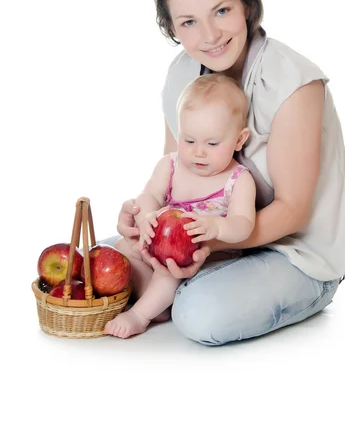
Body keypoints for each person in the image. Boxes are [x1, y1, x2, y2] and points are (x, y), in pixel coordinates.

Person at [105, 0, 345, 346]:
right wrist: (145, 220)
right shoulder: (182, 75)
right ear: (172, 28)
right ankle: (173, 286)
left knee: (200, 315)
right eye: (188, 22)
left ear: (246, 4)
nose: (209, 36)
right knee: (101, 258)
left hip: (296, 253)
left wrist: (205, 239)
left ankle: (180, 294)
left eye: (221, 11)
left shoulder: (293, 82)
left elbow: (293, 211)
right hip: (216, 239)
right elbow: (178, 169)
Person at [104, 73, 256, 338]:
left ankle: (140, 315)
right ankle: (156, 301)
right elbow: (149, 194)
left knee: (170, 272)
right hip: (163, 246)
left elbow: (244, 226)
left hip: (201, 258)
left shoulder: (238, 180)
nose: (199, 151)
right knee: (123, 246)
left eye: (212, 143)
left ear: (239, 140)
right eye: (189, 140)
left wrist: (215, 227)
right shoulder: (170, 165)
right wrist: (147, 215)